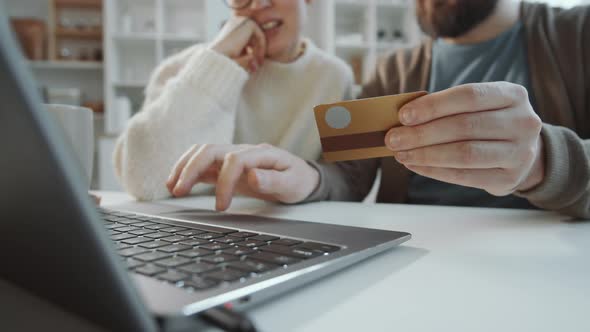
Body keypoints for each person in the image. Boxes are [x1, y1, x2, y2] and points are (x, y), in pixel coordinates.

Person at [167, 0, 589, 219]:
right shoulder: (395, 68)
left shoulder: (578, 33)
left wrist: (545, 161)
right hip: (419, 254)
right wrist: (305, 176)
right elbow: (351, 176)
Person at [113, 0, 354, 201]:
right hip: (197, 233)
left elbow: (343, 188)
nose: (259, 4)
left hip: (293, 231)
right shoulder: (180, 70)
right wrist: (214, 62)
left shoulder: (334, 77)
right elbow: (143, 182)